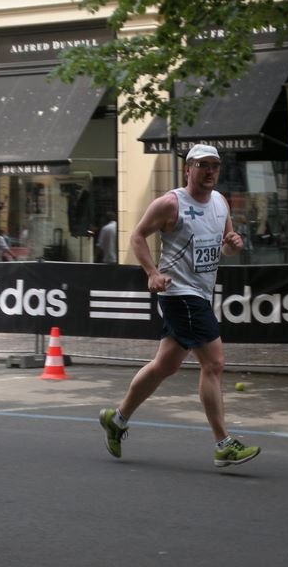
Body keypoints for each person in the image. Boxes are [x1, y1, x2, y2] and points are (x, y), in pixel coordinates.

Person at [99, 143, 261, 468]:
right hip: (178, 293)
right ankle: (223, 443)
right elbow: (137, 236)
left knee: (166, 366)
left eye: (215, 165)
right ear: (187, 169)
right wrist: (152, 273)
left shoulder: (220, 203)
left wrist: (234, 245)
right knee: (213, 363)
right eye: (203, 165)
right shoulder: (171, 203)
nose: (210, 171)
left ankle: (117, 419)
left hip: (200, 293)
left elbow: (224, 250)